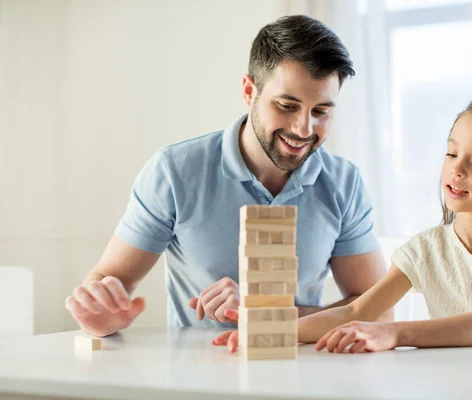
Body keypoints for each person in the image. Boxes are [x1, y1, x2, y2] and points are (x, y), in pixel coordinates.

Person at [64, 15, 391, 337]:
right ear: (249, 91)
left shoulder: (343, 182)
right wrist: (101, 316)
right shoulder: (175, 171)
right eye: (287, 106)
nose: (303, 129)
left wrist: (266, 315)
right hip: (197, 382)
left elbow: (379, 310)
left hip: (302, 374)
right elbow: (110, 280)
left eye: (321, 111)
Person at [213, 91, 472, 354]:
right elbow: (358, 311)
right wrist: (278, 332)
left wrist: (394, 333)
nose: (456, 169)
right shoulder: (425, 249)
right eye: (451, 153)